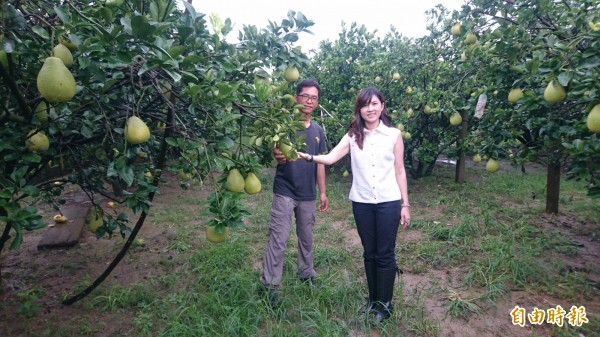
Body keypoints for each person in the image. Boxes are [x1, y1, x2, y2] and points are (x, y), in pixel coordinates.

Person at [297, 87, 410, 322]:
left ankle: (385, 304)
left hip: (389, 202)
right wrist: (307, 156)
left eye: (375, 104)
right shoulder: (352, 135)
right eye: (365, 105)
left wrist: (405, 204)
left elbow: (400, 170)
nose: (370, 109)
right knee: (370, 253)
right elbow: (330, 158)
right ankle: (373, 301)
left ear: (382, 106)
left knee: (385, 253)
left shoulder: (393, 135)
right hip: (362, 202)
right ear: (359, 109)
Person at [260, 79, 329, 306]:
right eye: (305, 96)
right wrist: (276, 153)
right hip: (285, 190)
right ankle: (269, 285)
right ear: (296, 97)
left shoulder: (318, 130)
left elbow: (320, 163)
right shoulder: (284, 125)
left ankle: (306, 273)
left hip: (308, 193)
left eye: (314, 98)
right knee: (278, 239)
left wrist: (323, 193)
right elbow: (275, 150)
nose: (309, 101)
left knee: (306, 238)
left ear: (317, 102)